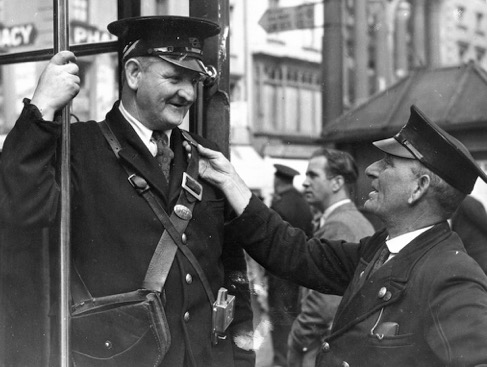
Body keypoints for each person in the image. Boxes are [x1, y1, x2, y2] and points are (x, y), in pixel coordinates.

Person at [0, 16, 255, 367]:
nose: (189, 94)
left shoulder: (203, 155)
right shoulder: (79, 148)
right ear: (133, 74)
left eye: (193, 80)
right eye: (174, 78)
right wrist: (42, 109)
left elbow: (232, 268)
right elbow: (19, 210)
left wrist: (240, 357)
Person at [195, 104, 487, 366]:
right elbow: (297, 254)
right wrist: (231, 182)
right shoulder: (379, 249)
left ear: (419, 187)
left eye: (387, 163)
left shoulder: (452, 275)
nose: (371, 170)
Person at [287, 148, 374, 367]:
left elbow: (323, 305)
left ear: (336, 183)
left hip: (322, 348)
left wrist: (297, 338)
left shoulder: (339, 225)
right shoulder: (349, 220)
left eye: (313, 175)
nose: (304, 183)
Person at [267, 164, 313, 367]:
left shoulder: (279, 206)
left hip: (280, 272)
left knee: (280, 317)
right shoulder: (303, 203)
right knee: (295, 315)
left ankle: (280, 361)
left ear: (277, 181)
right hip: (301, 270)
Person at [451, 195, 487, 274]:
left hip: (483, 260)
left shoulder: (467, 202)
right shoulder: (451, 207)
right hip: (472, 263)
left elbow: (484, 223)